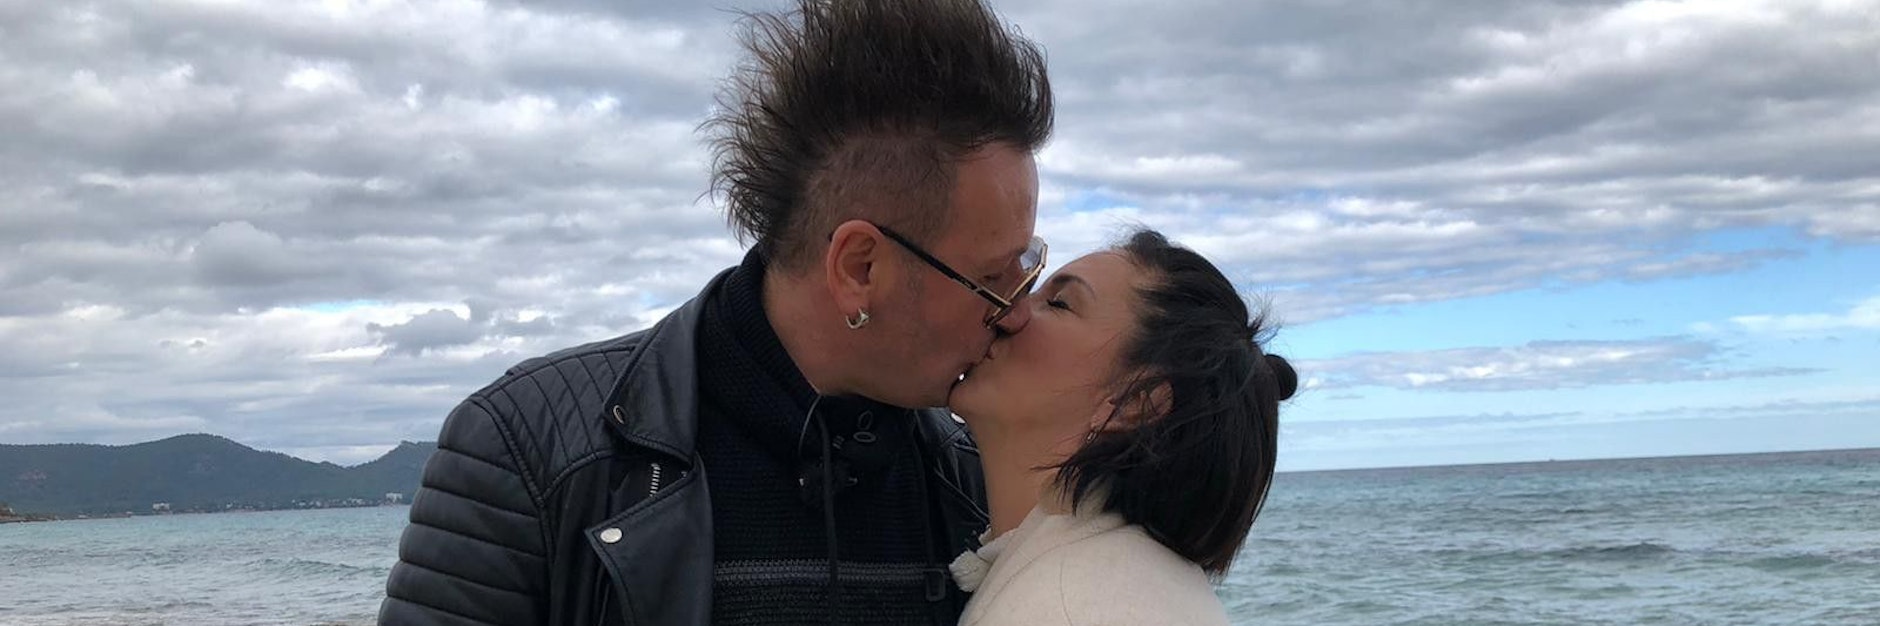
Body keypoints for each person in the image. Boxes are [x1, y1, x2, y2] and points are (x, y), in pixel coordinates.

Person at [377, 0, 1053, 623]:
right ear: (859, 270)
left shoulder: (970, 473)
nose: (1019, 314)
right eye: (993, 278)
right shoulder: (527, 448)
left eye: (1029, 266)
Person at [944, 229, 1297, 625]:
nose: (1007, 311)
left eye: (1058, 303)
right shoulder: (1120, 580)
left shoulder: (1069, 607)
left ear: (1136, 405)